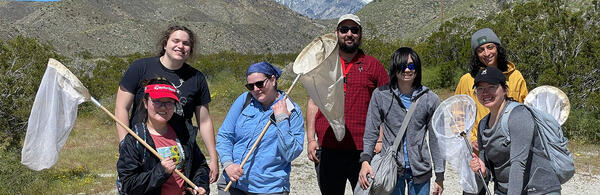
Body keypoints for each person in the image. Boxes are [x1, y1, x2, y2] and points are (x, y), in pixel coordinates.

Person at [115, 25, 219, 183]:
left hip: (178, 150)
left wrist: (213, 158)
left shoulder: (196, 78)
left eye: (186, 43)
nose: (180, 46)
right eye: (175, 41)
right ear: (165, 43)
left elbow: (204, 121)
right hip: (143, 149)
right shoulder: (140, 68)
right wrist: (125, 144)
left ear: (190, 49)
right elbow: (121, 108)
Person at [306, 14, 389, 194]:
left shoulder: (373, 66)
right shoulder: (324, 65)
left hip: (363, 149)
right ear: (337, 33)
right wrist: (311, 139)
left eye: (354, 30)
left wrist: (381, 139)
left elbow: (385, 106)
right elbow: (313, 101)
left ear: (360, 34)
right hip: (328, 146)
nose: (349, 34)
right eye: (344, 30)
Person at [358, 47, 444, 195]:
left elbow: (436, 139)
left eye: (411, 66)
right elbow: (371, 131)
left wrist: (440, 175)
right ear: (394, 67)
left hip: (420, 168)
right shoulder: (380, 95)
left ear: (417, 69)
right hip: (390, 168)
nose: (407, 70)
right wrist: (365, 160)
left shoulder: (430, 99)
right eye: (402, 66)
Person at [216, 62, 304, 194]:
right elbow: (225, 135)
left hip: (268, 189)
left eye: (260, 84)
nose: (256, 89)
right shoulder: (244, 100)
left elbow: (291, 153)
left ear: (273, 80)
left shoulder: (292, 110)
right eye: (250, 86)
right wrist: (228, 164)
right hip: (232, 183)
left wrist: (281, 119)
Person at [469, 67, 561, 195]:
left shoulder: (519, 115)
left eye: (491, 87)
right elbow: (489, 171)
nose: (485, 93)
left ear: (505, 90)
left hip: (539, 190)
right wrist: (483, 172)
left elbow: (518, 165)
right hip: (504, 190)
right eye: (480, 89)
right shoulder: (483, 125)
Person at [117, 77, 209, 195]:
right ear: (145, 102)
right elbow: (128, 184)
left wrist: (200, 185)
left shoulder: (184, 132)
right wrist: (161, 172)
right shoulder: (135, 140)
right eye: (157, 101)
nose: (164, 107)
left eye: (169, 102)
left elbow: (200, 166)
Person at [455, 28, 528, 153]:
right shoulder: (467, 80)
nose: (486, 53)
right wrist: (470, 139)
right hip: (480, 149)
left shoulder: (515, 76)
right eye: (480, 50)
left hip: (511, 147)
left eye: (490, 47)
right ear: (476, 55)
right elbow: (456, 115)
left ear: (498, 48)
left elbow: (525, 110)